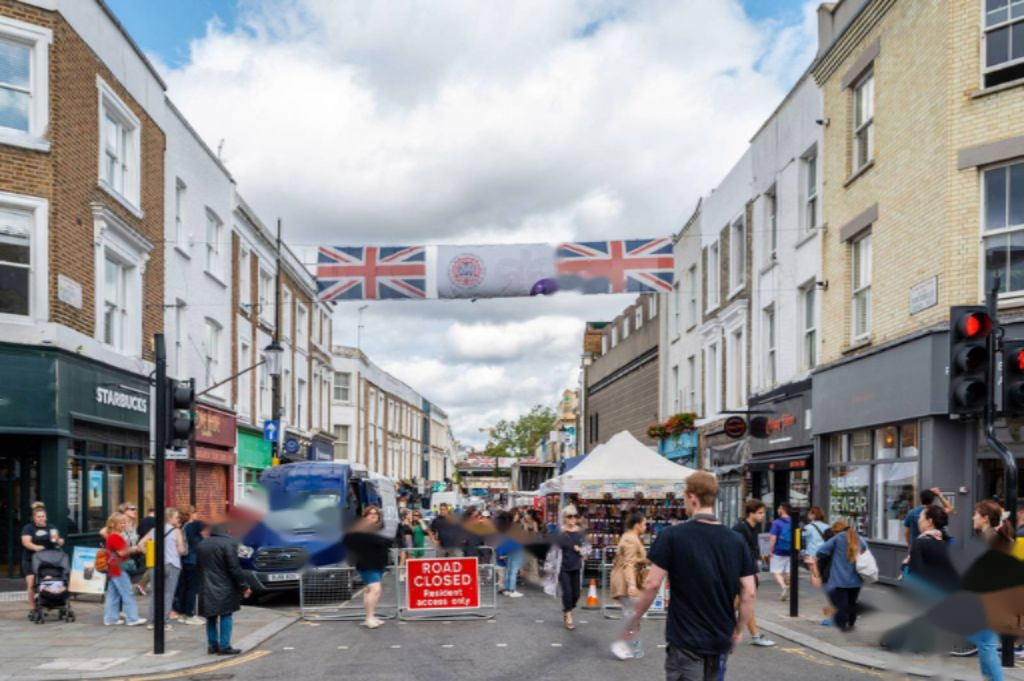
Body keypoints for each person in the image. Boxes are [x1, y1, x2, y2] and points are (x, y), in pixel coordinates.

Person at [624, 472, 757, 681]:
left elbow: (651, 584)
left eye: (684, 497)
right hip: (720, 638)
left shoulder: (672, 535)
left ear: (693, 498)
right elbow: (749, 593)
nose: (684, 502)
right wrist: (738, 631)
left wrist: (635, 618)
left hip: (686, 639)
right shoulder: (737, 540)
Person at [903, 506, 1004, 681]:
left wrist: (905, 565)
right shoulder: (965, 540)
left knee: (986, 643)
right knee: (986, 643)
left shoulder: (983, 540)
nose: (973, 517)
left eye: (976, 515)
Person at [197, 523, 252, 655]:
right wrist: (244, 586)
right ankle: (225, 645)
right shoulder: (228, 544)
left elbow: (199, 566)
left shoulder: (202, 544)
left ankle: (212, 645)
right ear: (226, 531)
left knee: (210, 617)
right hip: (224, 586)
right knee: (226, 614)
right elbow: (234, 568)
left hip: (206, 585)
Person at [730, 500, 775, 648]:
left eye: (763, 513)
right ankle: (752, 635)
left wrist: (756, 569)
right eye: (760, 513)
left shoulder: (753, 527)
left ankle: (754, 635)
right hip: (741, 573)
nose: (763, 516)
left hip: (749, 571)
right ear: (751, 513)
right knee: (743, 603)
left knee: (744, 603)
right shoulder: (740, 529)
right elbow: (734, 552)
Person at [341, 506, 393, 629]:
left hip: (379, 562)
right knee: (375, 589)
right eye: (370, 513)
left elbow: (388, 542)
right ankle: (369, 618)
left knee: (370, 591)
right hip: (366, 563)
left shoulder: (380, 529)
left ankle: (371, 616)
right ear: (365, 516)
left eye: (375, 513)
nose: (373, 515)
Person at [610, 510, 652, 659]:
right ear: (637, 525)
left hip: (626, 581)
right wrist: (631, 585)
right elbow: (628, 563)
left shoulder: (630, 537)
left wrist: (644, 560)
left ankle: (631, 646)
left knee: (633, 615)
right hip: (626, 582)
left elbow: (631, 560)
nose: (646, 527)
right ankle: (624, 645)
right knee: (635, 615)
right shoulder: (631, 540)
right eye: (644, 524)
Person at [815, 518, 868, 633]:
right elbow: (865, 550)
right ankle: (851, 623)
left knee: (840, 604)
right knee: (852, 602)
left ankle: (842, 627)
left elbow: (820, 552)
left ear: (836, 531)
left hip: (840, 579)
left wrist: (833, 553)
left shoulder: (837, 538)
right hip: (856, 579)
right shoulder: (858, 538)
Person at [141, 507, 186, 631]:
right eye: (177, 517)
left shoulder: (154, 530)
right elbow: (181, 550)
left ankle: (151, 621)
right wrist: (178, 551)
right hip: (172, 565)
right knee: (168, 594)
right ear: (170, 518)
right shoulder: (176, 531)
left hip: (156, 565)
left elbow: (140, 544)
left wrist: (150, 554)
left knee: (155, 594)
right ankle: (165, 622)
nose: (179, 519)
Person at [102, 512, 146, 627]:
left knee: (113, 594)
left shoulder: (112, 536)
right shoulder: (116, 537)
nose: (124, 525)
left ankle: (110, 618)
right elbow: (122, 552)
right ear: (114, 524)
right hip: (118, 567)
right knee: (128, 592)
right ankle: (132, 618)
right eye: (121, 523)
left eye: (124, 522)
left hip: (113, 567)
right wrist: (135, 548)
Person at [21, 504, 63, 606]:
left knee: (48, 580)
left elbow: (60, 541)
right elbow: (26, 542)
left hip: (47, 559)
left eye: (43, 516)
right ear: (34, 518)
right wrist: (36, 547)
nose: (41, 519)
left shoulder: (51, 528)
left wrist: (58, 540)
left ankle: (48, 601)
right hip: (30, 559)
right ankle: (33, 607)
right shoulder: (28, 528)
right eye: (38, 517)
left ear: (46, 517)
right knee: (31, 584)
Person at [554, 505, 586, 629]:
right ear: (565, 518)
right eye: (569, 516)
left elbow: (588, 549)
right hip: (563, 567)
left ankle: (568, 608)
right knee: (567, 593)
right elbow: (553, 551)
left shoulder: (580, 532)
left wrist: (581, 550)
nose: (573, 519)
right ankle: (568, 614)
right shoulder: (560, 533)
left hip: (577, 566)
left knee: (576, 594)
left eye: (575, 516)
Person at [176, 507, 206, 625]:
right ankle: (190, 614)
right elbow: (205, 524)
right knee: (192, 589)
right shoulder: (191, 526)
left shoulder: (182, 527)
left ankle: (182, 613)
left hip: (184, 561)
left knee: (184, 588)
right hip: (193, 561)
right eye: (195, 512)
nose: (198, 514)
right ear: (189, 514)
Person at [768, 503, 793, 601]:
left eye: (779, 508)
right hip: (791, 551)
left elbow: (773, 538)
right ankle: (790, 589)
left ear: (783, 509)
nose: (778, 510)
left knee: (776, 571)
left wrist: (770, 551)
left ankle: (784, 587)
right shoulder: (795, 521)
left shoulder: (777, 523)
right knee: (789, 572)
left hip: (779, 550)